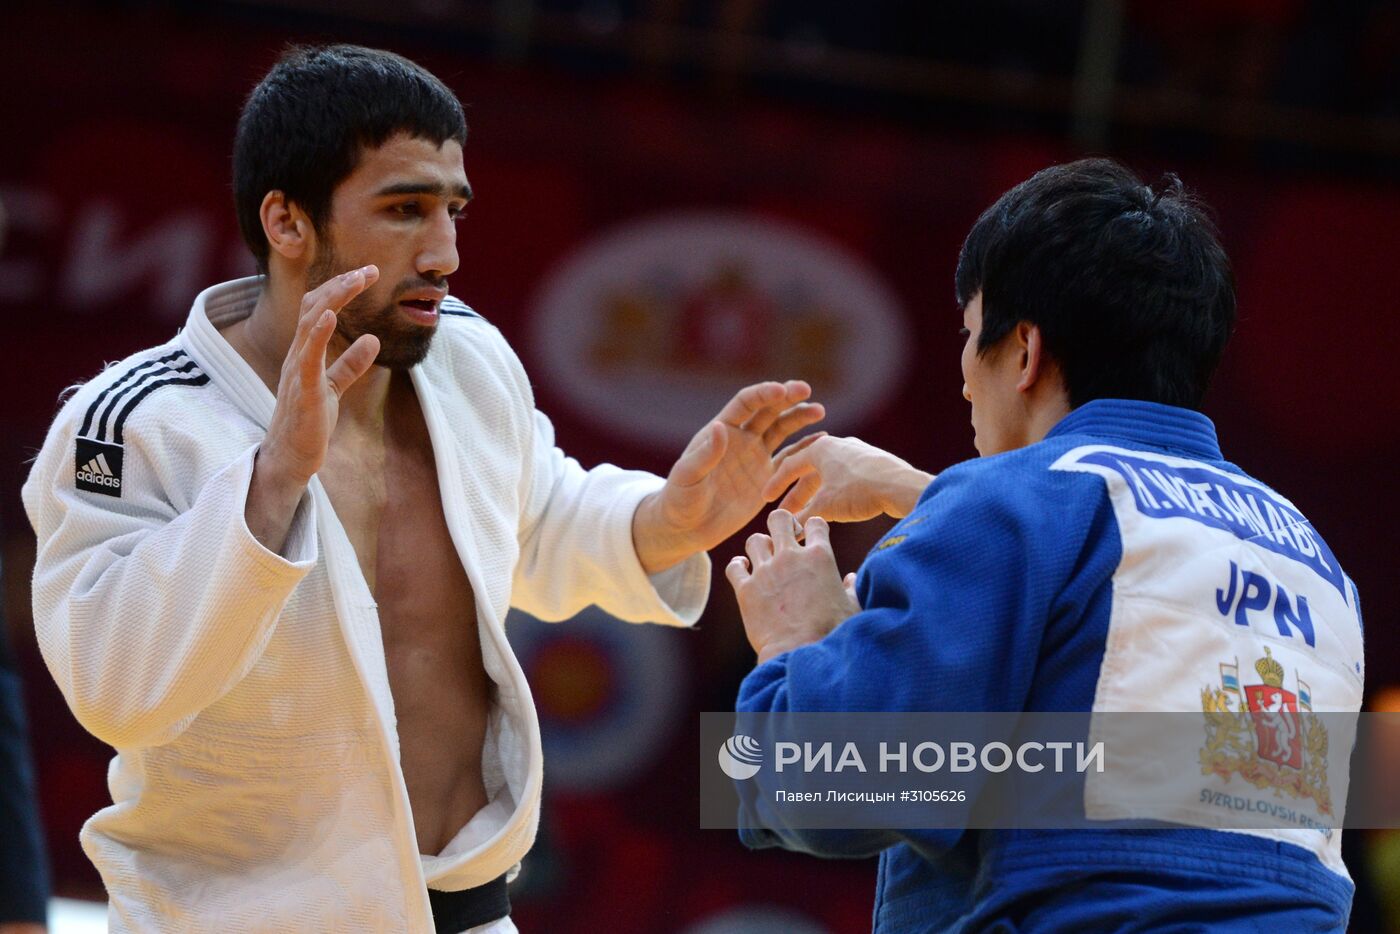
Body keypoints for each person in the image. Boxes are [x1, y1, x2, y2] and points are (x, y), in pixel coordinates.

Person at [22, 44, 824, 933]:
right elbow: (112, 686)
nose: (443, 252)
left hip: (468, 907)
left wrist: (663, 520)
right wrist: (272, 482)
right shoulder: (133, 421)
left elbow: (536, 515)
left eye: (453, 210)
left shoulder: (467, 352)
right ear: (287, 222)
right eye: (405, 210)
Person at [727, 158, 1365, 931]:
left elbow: (835, 792)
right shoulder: (1314, 559)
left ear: (1023, 351)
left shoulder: (1013, 505)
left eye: (969, 337)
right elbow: (1111, 590)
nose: (964, 378)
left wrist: (795, 642)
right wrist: (921, 493)